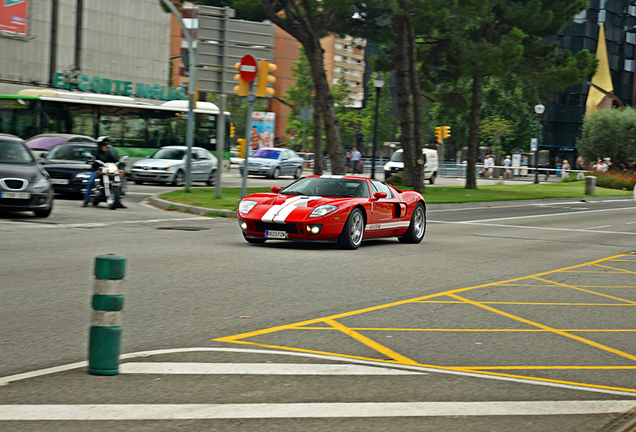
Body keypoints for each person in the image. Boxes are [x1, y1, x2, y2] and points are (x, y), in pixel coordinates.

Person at [82, 137, 127, 208]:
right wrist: (90, 160)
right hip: (97, 169)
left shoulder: (111, 151)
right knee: (91, 182)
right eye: (103, 145)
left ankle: (118, 201)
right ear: (99, 145)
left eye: (106, 145)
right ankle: (86, 201)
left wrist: (121, 162)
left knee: (118, 182)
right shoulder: (95, 152)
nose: (105, 146)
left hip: (109, 169)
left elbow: (116, 159)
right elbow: (90, 158)